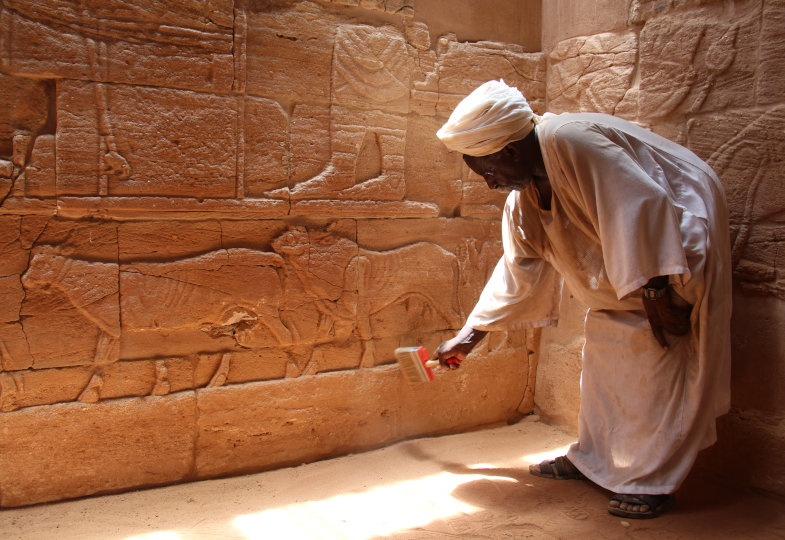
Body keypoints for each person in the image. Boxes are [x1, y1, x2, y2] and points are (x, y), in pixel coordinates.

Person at [433, 80, 732, 519]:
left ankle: (653, 480)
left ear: (512, 152)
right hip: (638, 270)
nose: (490, 184)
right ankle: (592, 459)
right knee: (605, 357)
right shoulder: (524, 198)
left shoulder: (568, 138)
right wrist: (470, 335)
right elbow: (518, 267)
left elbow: (642, 205)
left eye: (488, 172)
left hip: (676, 243)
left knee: (661, 359)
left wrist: (655, 291)